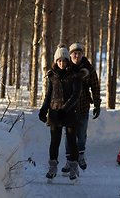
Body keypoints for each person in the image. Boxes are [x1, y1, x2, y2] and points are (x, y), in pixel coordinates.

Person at [38, 44, 82, 181]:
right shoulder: (52, 75)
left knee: (71, 141)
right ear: (56, 61)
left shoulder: (75, 75)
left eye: (64, 60)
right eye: (59, 60)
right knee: (54, 141)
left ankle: (74, 167)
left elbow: (76, 95)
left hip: (69, 112)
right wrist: (43, 109)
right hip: (55, 112)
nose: (62, 63)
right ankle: (52, 167)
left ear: (68, 60)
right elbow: (49, 94)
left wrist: (65, 109)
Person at [61, 42, 101, 173]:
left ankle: (81, 156)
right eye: (74, 53)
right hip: (69, 108)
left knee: (81, 135)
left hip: (83, 106)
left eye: (79, 52)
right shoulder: (66, 68)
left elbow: (95, 87)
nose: (76, 55)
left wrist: (97, 104)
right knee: (69, 135)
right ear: (70, 54)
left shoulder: (89, 68)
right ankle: (69, 160)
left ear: (82, 54)